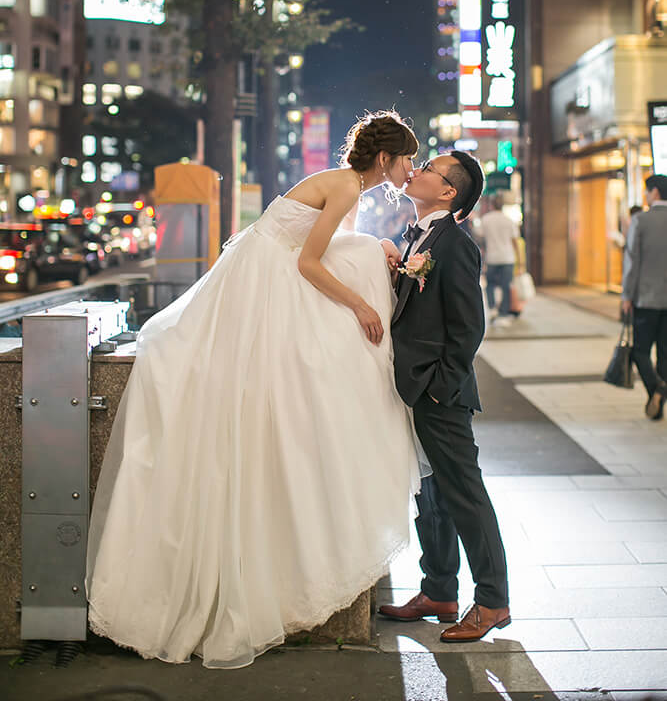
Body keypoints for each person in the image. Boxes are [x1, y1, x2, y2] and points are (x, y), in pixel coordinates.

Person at [86, 111, 422, 669]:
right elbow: (311, 264)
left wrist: (373, 249)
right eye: (408, 158)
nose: (411, 169)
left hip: (264, 275)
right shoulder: (344, 184)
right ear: (385, 159)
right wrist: (363, 302)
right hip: (265, 285)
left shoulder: (348, 185)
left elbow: (321, 249)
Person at [378, 153, 510, 642]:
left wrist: (439, 387)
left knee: (464, 495)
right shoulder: (418, 236)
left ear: (448, 191)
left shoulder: (454, 244)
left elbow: (468, 326)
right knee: (428, 494)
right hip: (413, 388)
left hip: (438, 393)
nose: (419, 170)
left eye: (429, 167)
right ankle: (439, 590)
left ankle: (493, 601)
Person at [621, 174, 667, 421]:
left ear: (655, 192)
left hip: (645, 299)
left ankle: (657, 389)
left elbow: (632, 262)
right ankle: (658, 401)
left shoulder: (641, 220)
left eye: (647, 192)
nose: (646, 196)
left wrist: (627, 295)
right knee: (665, 352)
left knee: (640, 351)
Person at [477, 193, 520, 327]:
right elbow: (515, 241)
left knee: (489, 284)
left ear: (491, 205)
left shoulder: (486, 219)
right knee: (506, 286)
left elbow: (479, 237)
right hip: (508, 258)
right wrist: (520, 260)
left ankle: (492, 309)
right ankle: (503, 314)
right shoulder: (509, 220)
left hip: (492, 258)